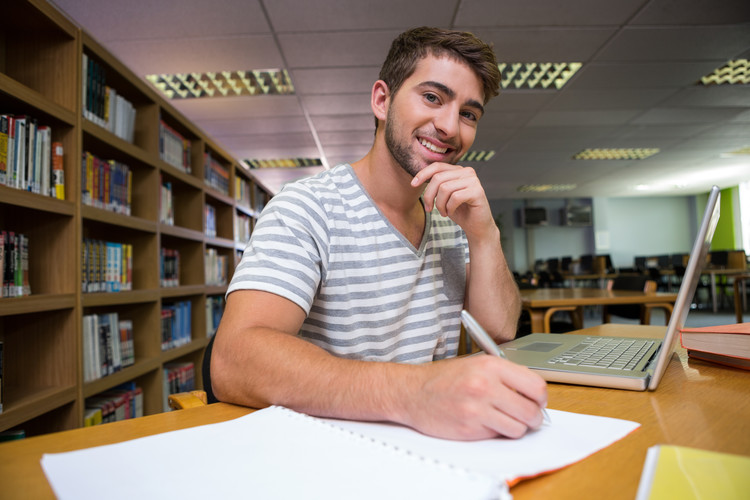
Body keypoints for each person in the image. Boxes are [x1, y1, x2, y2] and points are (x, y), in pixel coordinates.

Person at [210, 26, 548, 440]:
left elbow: (498, 332)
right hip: (333, 450)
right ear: (382, 101)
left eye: (468, 114)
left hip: (433, 444)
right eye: (432, 97)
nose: (449, 126)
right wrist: (416, 392)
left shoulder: (450, 221)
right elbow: (234, 361)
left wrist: (484, 233)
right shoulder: (307, 207)